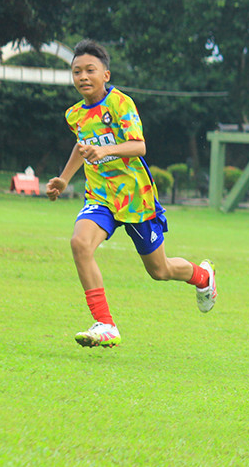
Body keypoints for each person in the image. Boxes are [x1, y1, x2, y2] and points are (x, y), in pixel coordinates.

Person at [46, 39, 217, 348]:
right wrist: (64, 178)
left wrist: (105, 150)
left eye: (90, 70)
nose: (82, 77)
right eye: (77, 72)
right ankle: (105, 324)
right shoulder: (74, 114)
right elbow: (81, 145)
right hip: (100, 196)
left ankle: (203, 277)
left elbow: (139, 146)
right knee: (80, 243)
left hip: (135, 198)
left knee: (159, 271)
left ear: (106, 75)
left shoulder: (120, 103)